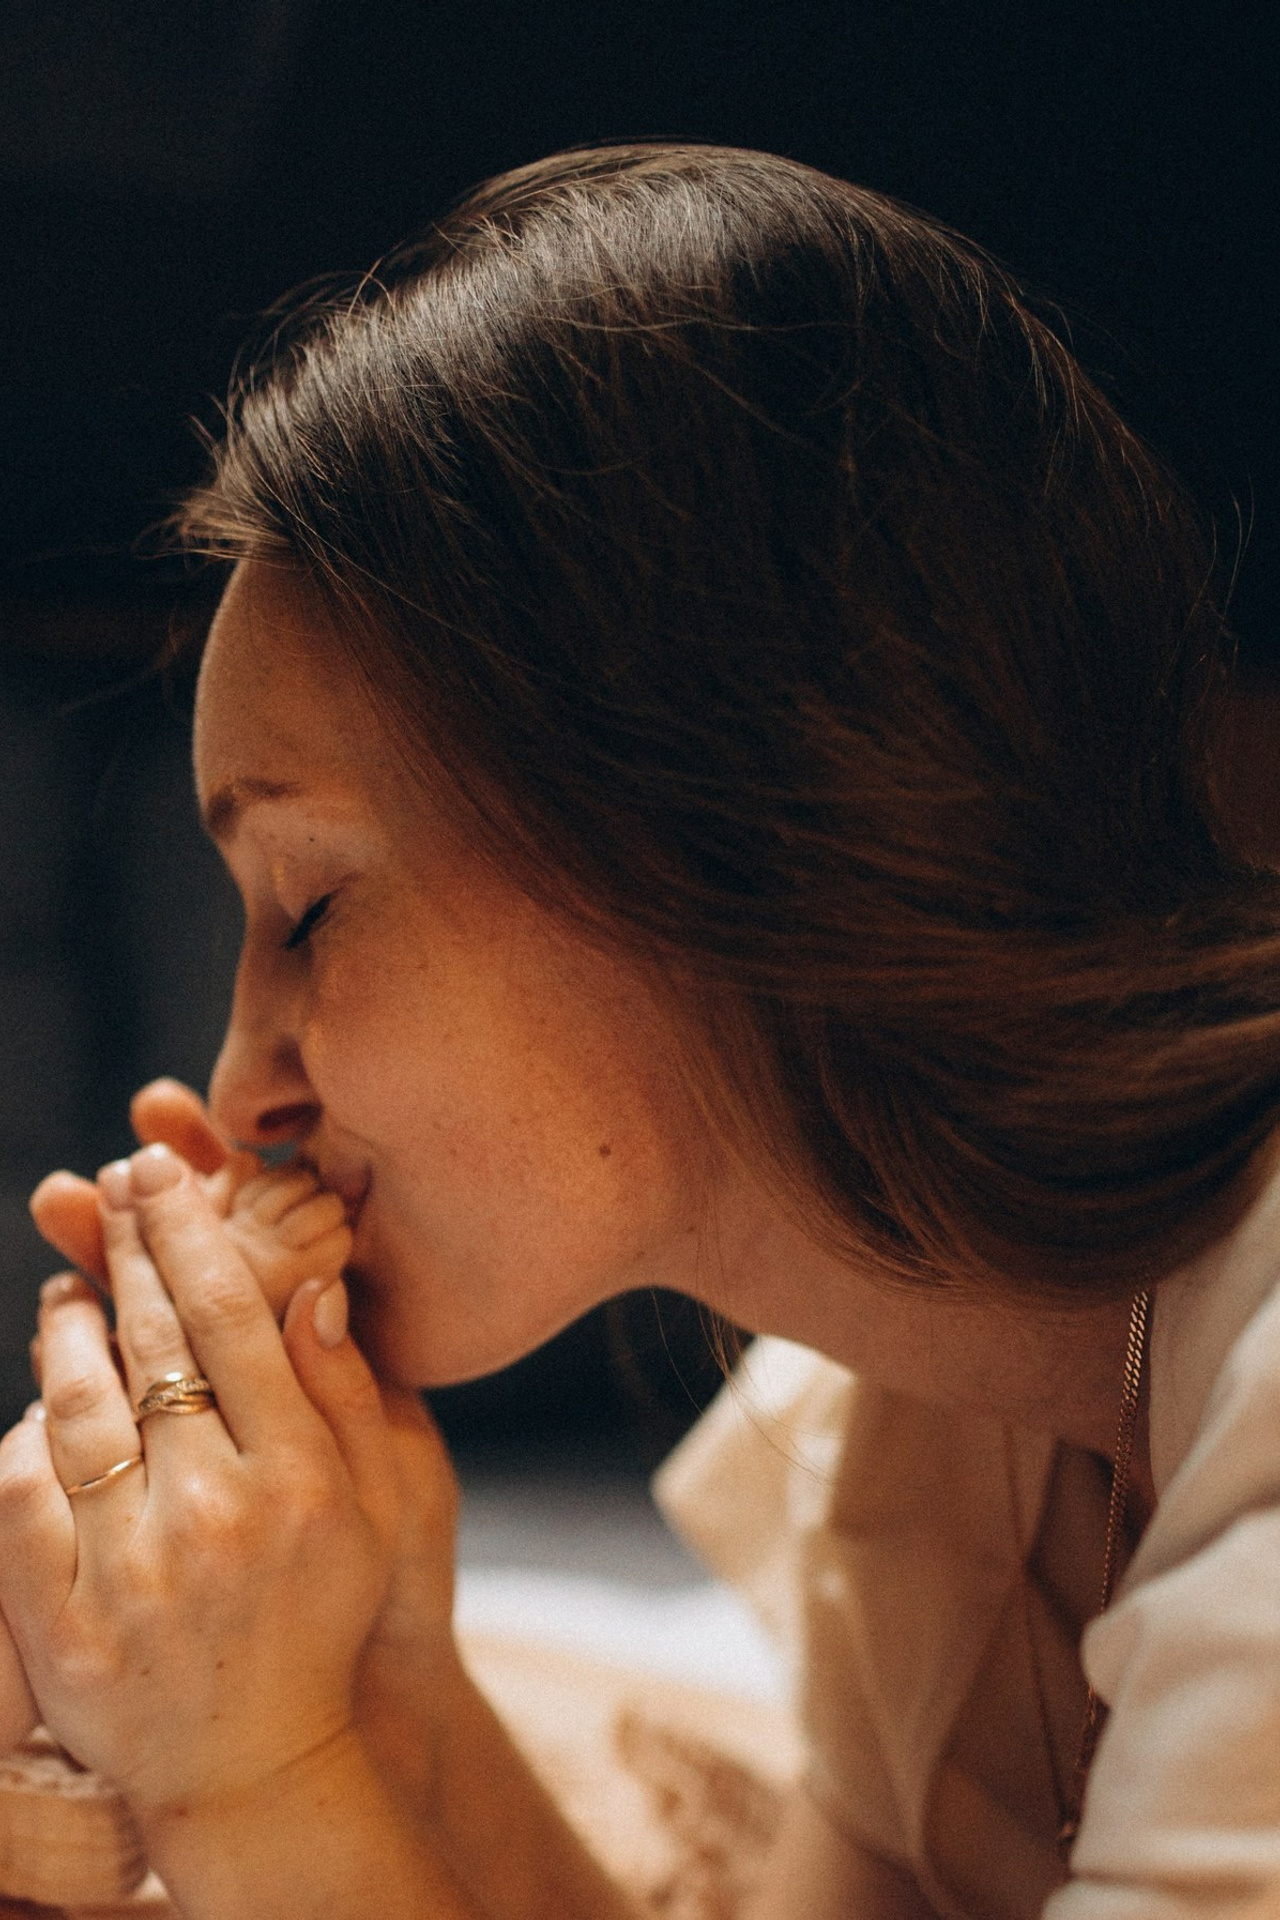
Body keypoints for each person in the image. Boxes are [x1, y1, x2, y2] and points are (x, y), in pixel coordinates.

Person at [1, 140, 1279, 1919]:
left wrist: (252, 1783)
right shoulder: (924, 1388)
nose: (237, 1093)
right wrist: (386, 1682)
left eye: (311, 908)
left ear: (701, 822)